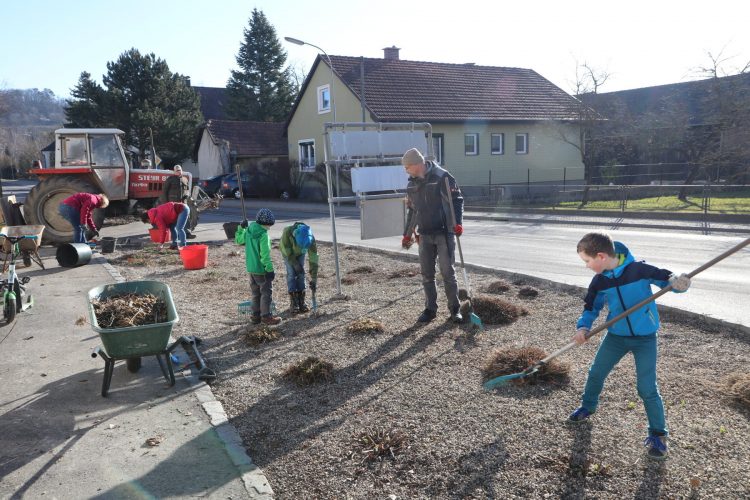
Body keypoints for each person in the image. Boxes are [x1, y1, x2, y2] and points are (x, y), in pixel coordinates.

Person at [568, 232, 691, 461]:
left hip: (645, 338)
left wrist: (679, 283)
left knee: (646, 388)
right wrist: (583, 328)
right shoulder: (600, 281)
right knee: (596, 373)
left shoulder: (640, 270)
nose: (586, 266)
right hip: (616, 336)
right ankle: (588, 406)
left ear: (601, 256)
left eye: (587, 261)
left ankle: (658, 434)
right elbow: (590, 307)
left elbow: (669, 281)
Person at [400, 147, 464, 324]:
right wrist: (407, 235)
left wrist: (457, 223)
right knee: (427, 274)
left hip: (444, 232)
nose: (405, 171)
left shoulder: (442, 177)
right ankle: (430, 309)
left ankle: (455, 309)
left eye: (407, 167)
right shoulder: (411, 185)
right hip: (425, 234)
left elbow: (457, 200)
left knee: (447, 273)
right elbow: (412, 211)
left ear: (417, 164)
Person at [235, 208, 281, 325]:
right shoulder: (264, 235)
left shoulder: (249, 230)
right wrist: (269, 269)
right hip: (261, 270)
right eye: (268, 225)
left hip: (251, 268)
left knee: (256, 294)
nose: (269, 228)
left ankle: (255, 316)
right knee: (266, 293)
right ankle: (266, 316)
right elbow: (264, 256)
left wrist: (241, 228)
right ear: (266, 223)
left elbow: (238, 240)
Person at [279, 222, 319, 314]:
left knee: (301, 273)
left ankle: (302, 301)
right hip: (287, 252)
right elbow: (288, 252)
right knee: (291, 273)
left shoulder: (310, 238)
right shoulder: (287, 232)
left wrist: (314, 278)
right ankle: (293, 302)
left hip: (300, 253)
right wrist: (295, 264)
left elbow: (314, 258)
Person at [160, 164, 196, 238]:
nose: (179, 172)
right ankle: (175, 235)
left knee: (186, 217)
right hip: (173, 203)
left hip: (183, 203)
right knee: (175, 219)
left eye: (180, 170)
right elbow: (164, 192)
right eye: (177, 170)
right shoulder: (170, 179)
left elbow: (188, 190)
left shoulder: (185, 179)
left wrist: (187, 195)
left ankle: (188, 233)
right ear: (174, 171)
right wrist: (166, 204)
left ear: (181, 171)